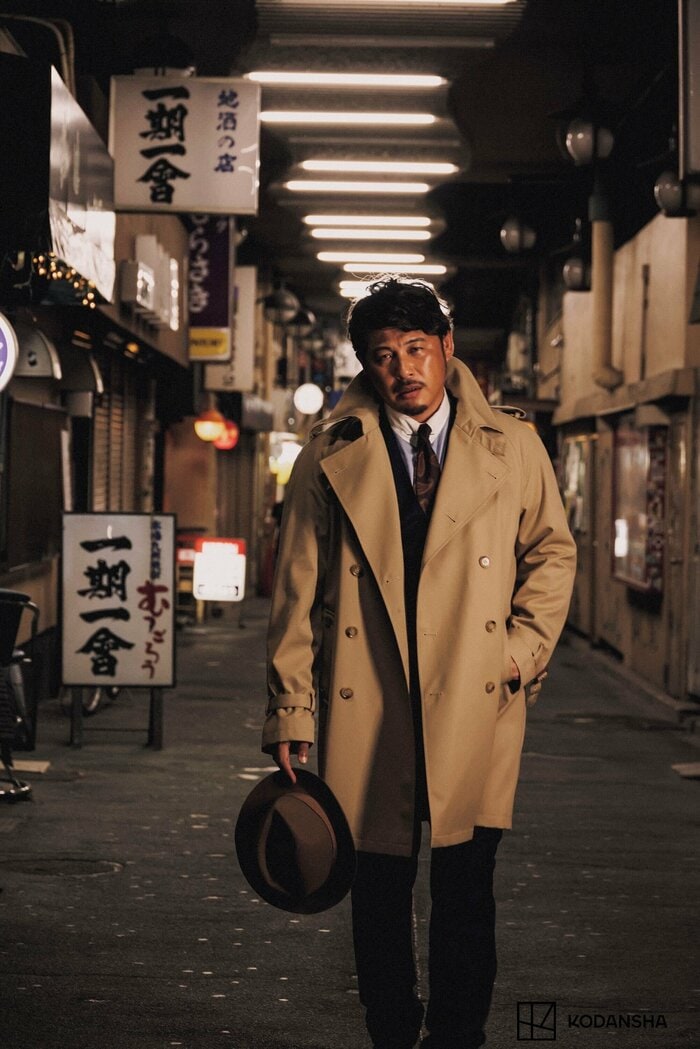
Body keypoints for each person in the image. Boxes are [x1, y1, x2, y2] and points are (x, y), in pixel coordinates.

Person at [262, 278, 576, 1049]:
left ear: (446, 346)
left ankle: (459, 1032)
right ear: (365, 365)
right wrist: (291, 710)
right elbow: (297, 589)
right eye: (382, 355)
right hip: (370, 695)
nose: (402, 367)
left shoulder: (513, 445)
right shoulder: (329, 453)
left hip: (476, 692)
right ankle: (392, 1028)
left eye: (414, 348)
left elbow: (552, 554)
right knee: (376, 883)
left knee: (467, 881)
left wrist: (518, 655)